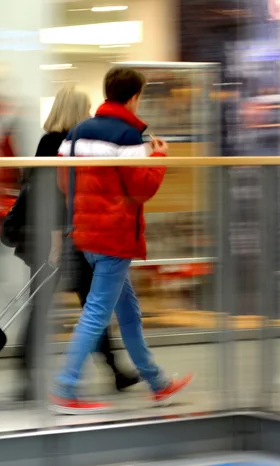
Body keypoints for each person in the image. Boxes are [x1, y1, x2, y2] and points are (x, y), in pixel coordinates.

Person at [51, 67, 193, 414]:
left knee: (128, 312)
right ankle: (66, 387)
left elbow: (63, 181)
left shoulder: (76, 132)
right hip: (114, 237)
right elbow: (142, 189)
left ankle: (157, 383)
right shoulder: (129, 136)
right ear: (135, 96)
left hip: (85, 234)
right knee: (97, 313)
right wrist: (158, 157)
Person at [2, 86, 139, 401]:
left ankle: (109, 369)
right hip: (60, 239)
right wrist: (56, 240)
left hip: (60, 237)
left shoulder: (49, 142)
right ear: (77, 110)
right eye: (87, 107)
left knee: (64, 306)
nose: (91, 113)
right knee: (86, 306)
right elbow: (53, 196)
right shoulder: (60, 145)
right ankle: (110, 369)